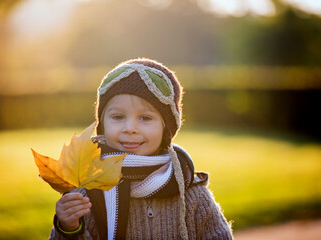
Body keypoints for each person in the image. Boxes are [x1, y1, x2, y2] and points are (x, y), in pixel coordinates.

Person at [49, 58, 233, 240]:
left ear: (165, 128)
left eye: (145, 118)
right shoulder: (87, 193)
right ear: (103, 124)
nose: (130, 128)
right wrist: (69, 229)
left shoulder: (192, 194)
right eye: (118, 116)